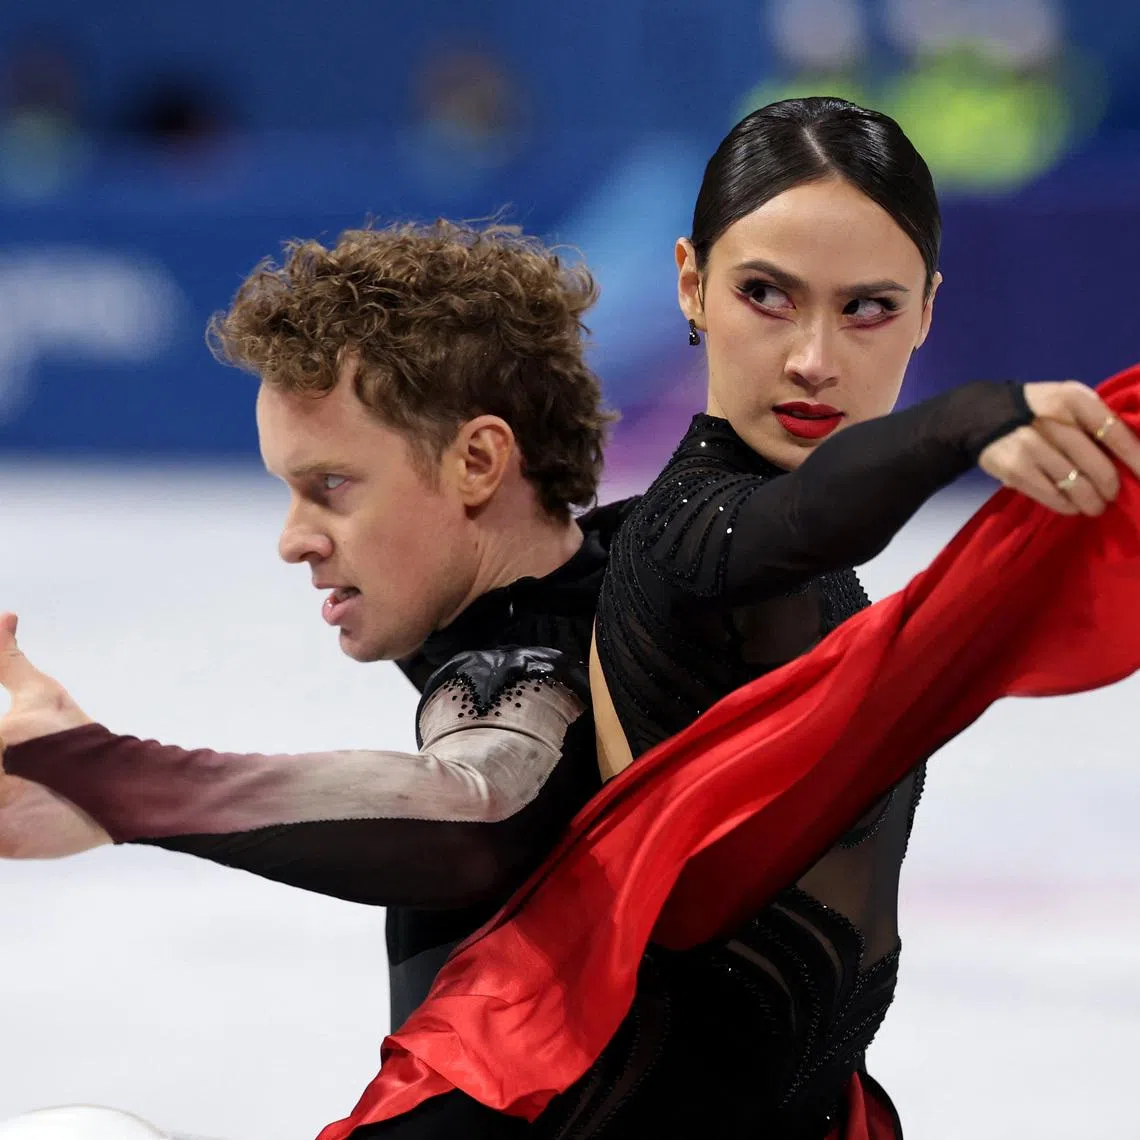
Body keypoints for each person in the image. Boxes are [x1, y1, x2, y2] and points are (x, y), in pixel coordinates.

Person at [317, 100, 1140, 1140]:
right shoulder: (686, 543)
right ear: (690, 284)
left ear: (930, 307)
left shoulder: (772, 570)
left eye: (868, 309)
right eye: (767, 296)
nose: (813, 358)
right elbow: (798, 516)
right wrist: (962, 422)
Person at [0, 218, 630, 1039]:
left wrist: (105, 777)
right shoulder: (617, 586)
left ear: (477, 462)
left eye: (330, 484)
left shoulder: (542, 663)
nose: (293, 539)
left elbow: (476, 808)